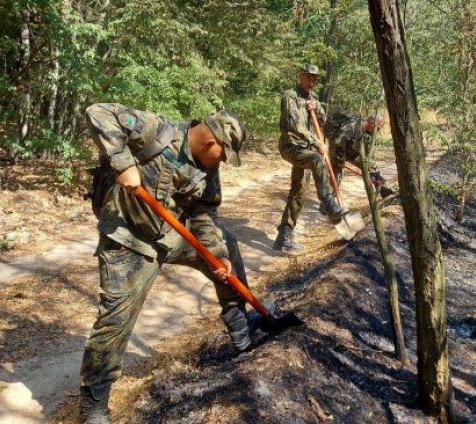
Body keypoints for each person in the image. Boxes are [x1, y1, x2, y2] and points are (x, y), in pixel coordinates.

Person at [79, 103, 272, 423]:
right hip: (129, 239)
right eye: (223, 155)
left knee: (228, 245)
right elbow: (98, 112)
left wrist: (218, 255)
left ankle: (240, 327)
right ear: (213, 142)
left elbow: (206, 217)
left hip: (172, 235)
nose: (222, 162)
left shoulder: (208, 170)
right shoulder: (158, 130)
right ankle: (93, 406)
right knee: (115, 320)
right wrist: (123, 162)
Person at [273, 64, 348, 252]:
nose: (312, 82)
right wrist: (317, 143)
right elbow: (295, 125)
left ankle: (284, 235)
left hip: (305, 149)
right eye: (309, 77)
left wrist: (318, 109)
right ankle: (328, 203)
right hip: (291, 147)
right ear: (300, 77)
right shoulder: (290, 96)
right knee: (316, 160)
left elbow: (323, 121)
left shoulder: (312, 98)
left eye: (315, 79)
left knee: (298, 191)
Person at [323, 111, 395, 200]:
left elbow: (369, 153)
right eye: (378, 128)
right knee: (335, 176)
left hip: (354, 151)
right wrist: (341, 160)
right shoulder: (352, 126)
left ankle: (383, 190)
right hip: (337, 151)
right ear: (371, 123)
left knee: (373, 168)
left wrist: (370, 164)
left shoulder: (371, 132)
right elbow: (338, 142)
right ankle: (329, 201)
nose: (379, 131)